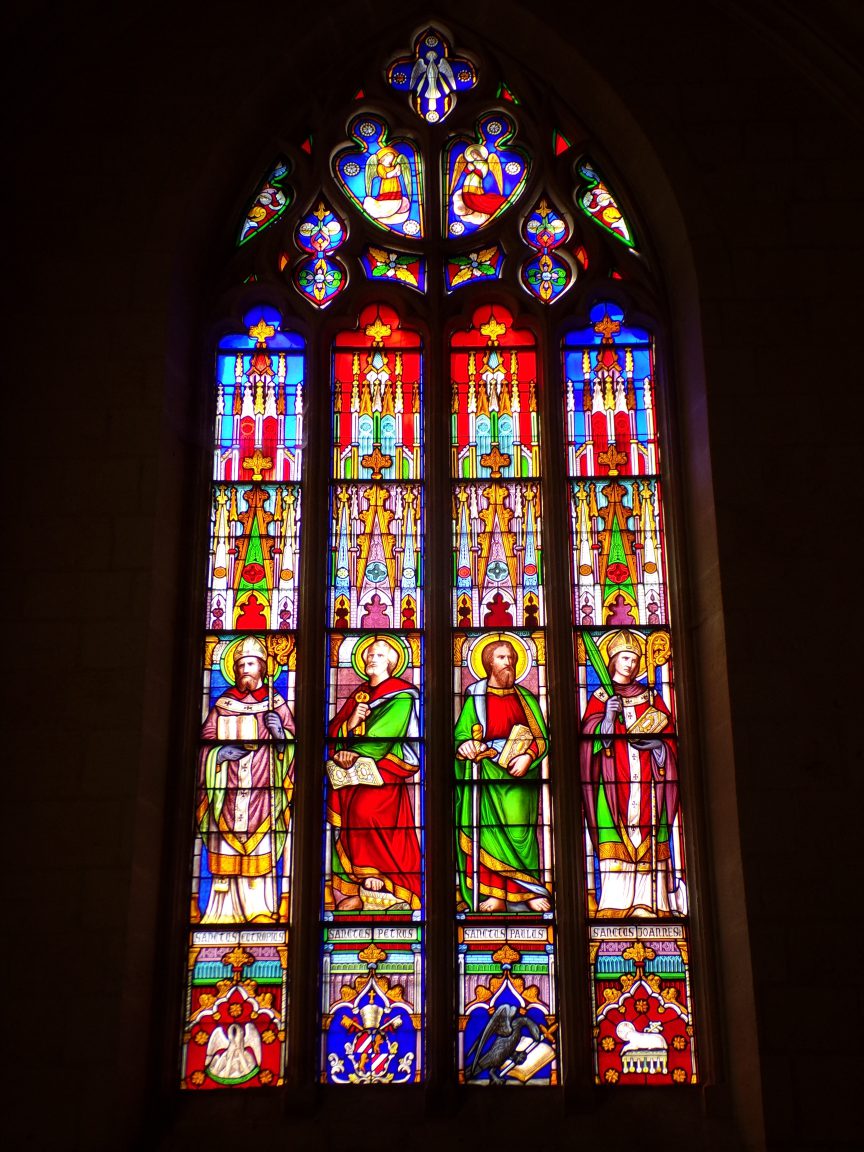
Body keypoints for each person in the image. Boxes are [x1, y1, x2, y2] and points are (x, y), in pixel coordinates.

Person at [579, 629, 684, 917]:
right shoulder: (602, 696)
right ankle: (615, 903)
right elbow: (588, 740)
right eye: (625, 658)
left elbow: (670, 739)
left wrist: (659, 746)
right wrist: (608, 719)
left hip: (651, 780)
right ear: (612, 660)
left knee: (652, 835)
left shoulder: (651, 696)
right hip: (613, 784)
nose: (631, 664)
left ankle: (651, 902)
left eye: (635, 658)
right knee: (613, 836)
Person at [197, 635, 294, 924]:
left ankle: (260, 909)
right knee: (224, 851)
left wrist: (280, 735)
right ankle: (221, 913)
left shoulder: (276, 703)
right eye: (240, 665)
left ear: (263, 668)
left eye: (251, 664)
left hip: (264, 792)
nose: (244, 670)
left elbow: (291, 750)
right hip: (226, 792)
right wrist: (218, 755)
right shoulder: (223, 704)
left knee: (261, 850)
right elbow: (205, 742)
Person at [454, 638, 551, 911]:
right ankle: (494, 893)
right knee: (486, 834)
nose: (508, 662)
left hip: (520, 777)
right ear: (488, 664)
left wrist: (528, 756)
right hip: (485, 774)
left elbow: (542, 739)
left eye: (511, 657)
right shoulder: (476, 696)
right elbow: (461, 733)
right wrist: (466, 744)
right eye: (501, 657)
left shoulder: (526, 698)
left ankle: (529, 890)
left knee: (522, 835)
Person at [327, 637, 422, 911]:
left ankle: (380, 874)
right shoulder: (360, 694)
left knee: (365, 812)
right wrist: (350, 724)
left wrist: (355, 751)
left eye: (378, 655)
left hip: (386, 772)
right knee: (348, 820)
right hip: (351, 773)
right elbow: (334, 730)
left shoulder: (402, 694)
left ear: (391, 663)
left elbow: (386, 735)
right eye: (368, 654)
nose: (371, 659)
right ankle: (353, 885)